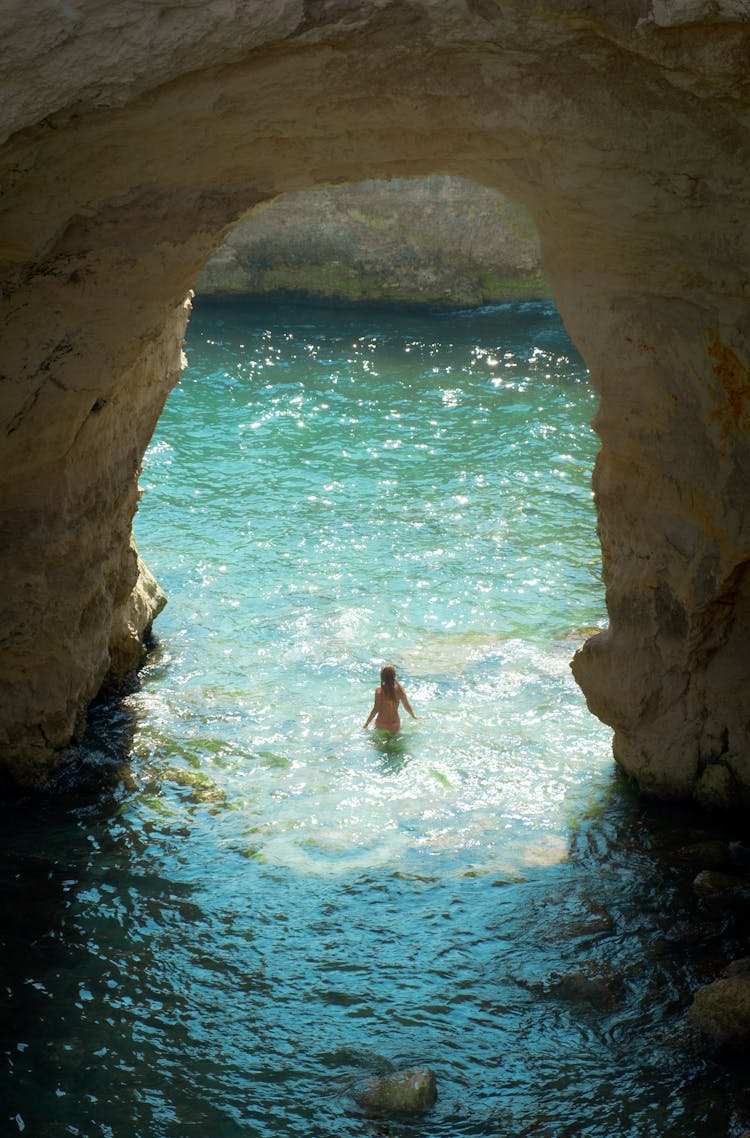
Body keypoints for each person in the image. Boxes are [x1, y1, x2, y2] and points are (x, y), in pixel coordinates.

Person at [362, 664, 417, 732]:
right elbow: (406, 706)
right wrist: (413, 716)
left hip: (382, 724)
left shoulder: (379, 690)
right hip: (395, 724)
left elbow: (376, 709)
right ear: (394, 675)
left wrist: (366, 723)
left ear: (382, 676)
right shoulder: (400, 689)